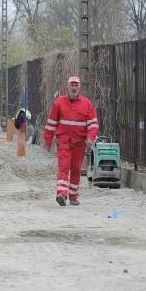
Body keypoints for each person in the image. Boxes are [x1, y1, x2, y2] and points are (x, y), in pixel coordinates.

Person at [43, 76, 98, 206]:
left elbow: (93, 124)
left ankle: (73, 196)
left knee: (76, 170)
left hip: (79, 144)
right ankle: (61, 194)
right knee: (63, 168)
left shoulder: (87, 104)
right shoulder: (59, 103)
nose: (74, 88)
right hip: (64, 142)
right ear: (67, 86)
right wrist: (48, 141)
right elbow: (51, 124)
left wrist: (91, 137)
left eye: (76, 85)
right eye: (72, 85)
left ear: (79, 87)